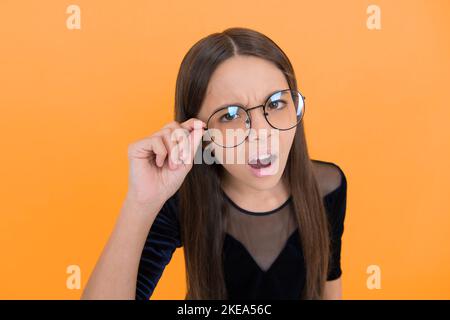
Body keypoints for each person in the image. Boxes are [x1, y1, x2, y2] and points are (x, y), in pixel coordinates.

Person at [81, 27, 348, 300]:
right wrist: (140, 202)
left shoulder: (328, 186)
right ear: (199, 134)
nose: (261, 133)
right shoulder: (181, 202)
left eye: (276, 103)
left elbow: (329, 279)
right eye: (231, 115)